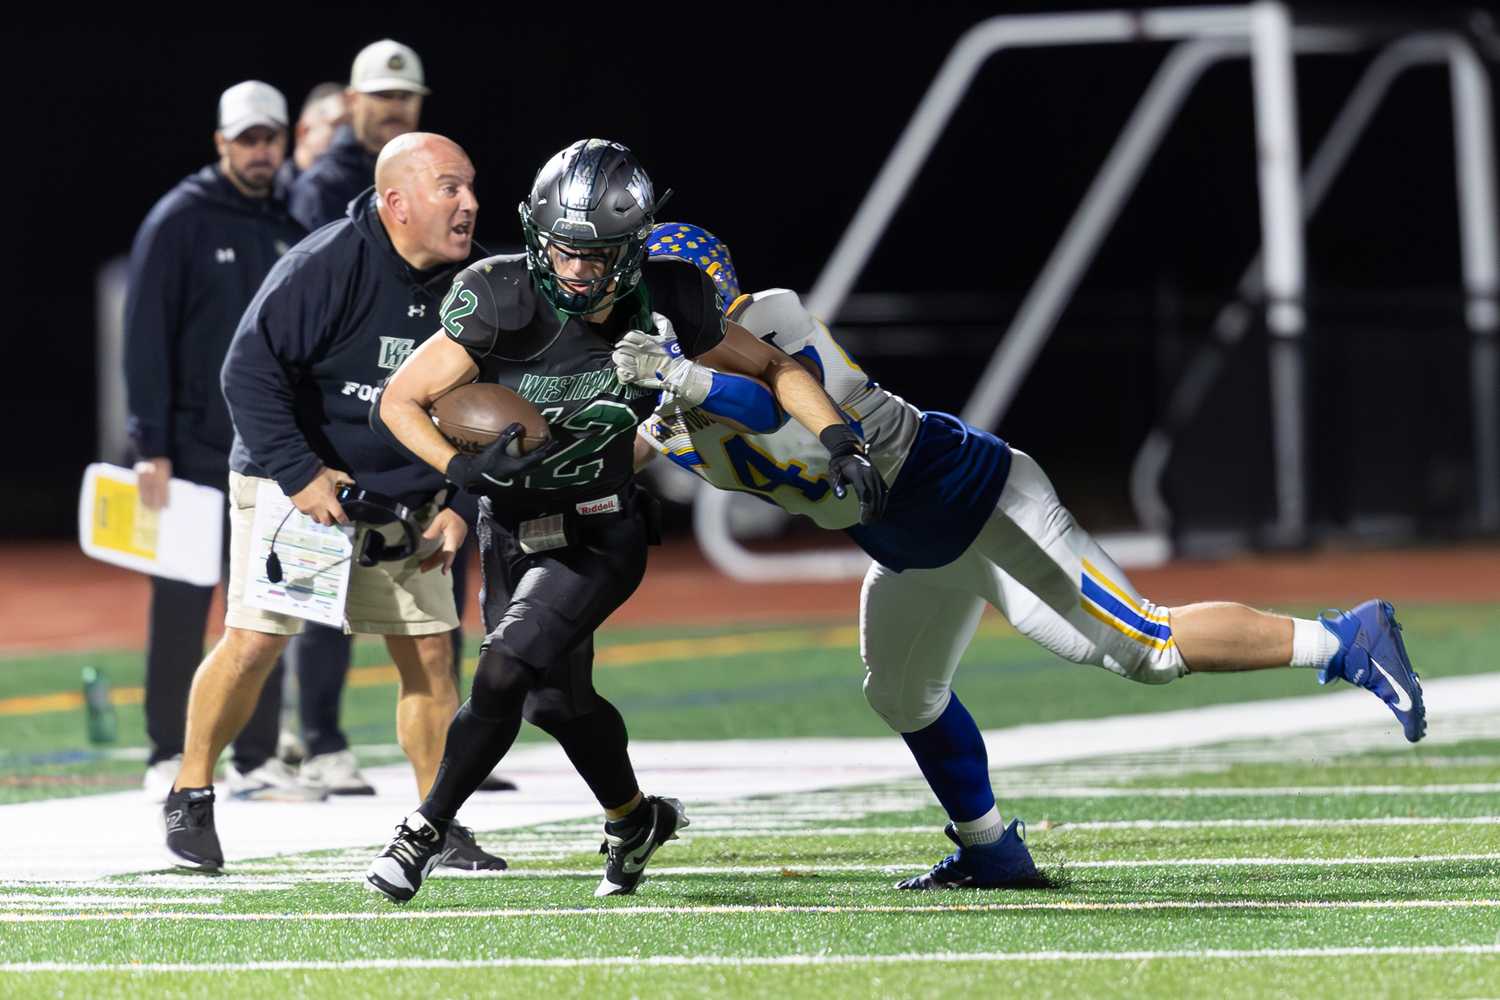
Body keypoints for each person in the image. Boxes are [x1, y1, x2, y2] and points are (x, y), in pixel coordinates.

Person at [628, 223, 1428, 891]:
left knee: (1146, 647)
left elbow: (779, 408)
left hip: (975, 499)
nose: (651, 315)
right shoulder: (671, 398)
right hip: (907, 545)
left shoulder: (771, 321)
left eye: (663, 298)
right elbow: (615, 446)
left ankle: (1345, 639)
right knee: (902, 695)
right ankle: (990, 850)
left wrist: (680, 379)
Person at [362, 139, 888, 903]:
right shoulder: (499, 294)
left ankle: (423, 832)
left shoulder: (670, 296)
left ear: (632, 249)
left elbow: (775, 368)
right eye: (563, 251)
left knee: (505, 669)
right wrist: (459, 468)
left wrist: (840, 439)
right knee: (557, 701)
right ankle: (635, 819)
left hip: (600, 526)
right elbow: (398, 401)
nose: (575, 269)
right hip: (510, 526)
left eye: (595, 254)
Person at [162, 132, 505, 875]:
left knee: (430, 654)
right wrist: (300, 474)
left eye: (471, 186)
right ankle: (190, 792)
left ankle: (436, 822)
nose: (470, 203)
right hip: (296, 473)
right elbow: (246, 373)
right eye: (449, 187)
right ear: (395, 202)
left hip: (408, 490)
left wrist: (458, 497)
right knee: (256, 639)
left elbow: (495, 403)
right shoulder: (327, 263)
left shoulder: (479, 281)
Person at [125, 81, 312, 804]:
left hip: (268, 454)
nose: (260, 152)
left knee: (264, 607)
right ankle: (166, 751)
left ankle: (256, 757)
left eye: (270, 138)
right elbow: (145, 336)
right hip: (190, 454)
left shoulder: (287, 225)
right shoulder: (178, 220)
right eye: (247, 139)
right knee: (178, 606)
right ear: (222, 143)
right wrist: (150, 444)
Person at [288, 39, 426, 232]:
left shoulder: (428, 177)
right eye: (383, 94)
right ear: (353, 99)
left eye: (406, 96)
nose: (396, 106)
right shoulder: (321, 186)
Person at [273, 83, 349, 203]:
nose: (347, 135)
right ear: (303, 131)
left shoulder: (348, 186)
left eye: (351, 127)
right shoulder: (271, 192)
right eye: (338, 125)